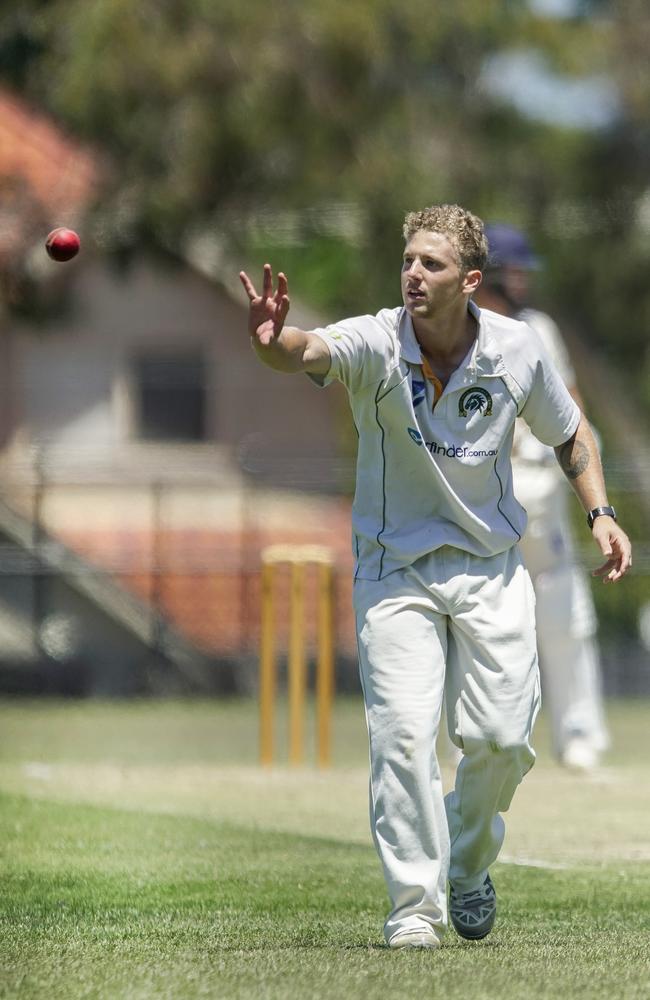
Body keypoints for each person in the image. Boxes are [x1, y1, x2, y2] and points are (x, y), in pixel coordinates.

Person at [239, 204, 631, 951]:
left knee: (500, 741)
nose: (413, 275)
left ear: (471, 280)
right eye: (409, 260)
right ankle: (413, 909)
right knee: (404, 736)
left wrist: (601, 513)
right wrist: (269, 342)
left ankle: (469, 860)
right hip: (395, 570)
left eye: (433, 264)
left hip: (490, 567)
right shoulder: (376, 339)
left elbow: (571, 429)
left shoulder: (517, 349)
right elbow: (304, 348)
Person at [475, 223, 610, 771]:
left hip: (538, 489)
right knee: (476, 615)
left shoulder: (538, 329)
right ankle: (484, 735)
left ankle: (580, 731)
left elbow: (572, 408)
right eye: (516, 269)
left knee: (561, 609)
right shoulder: (456, 331)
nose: (524, 280)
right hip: (480, 492)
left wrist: (590, 494)